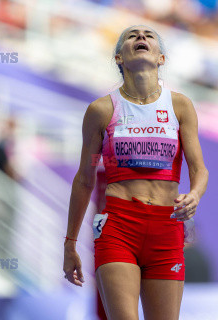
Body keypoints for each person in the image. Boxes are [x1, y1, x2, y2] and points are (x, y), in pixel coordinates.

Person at [63, 25, 208, 320]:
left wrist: (195, 193)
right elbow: (84, 178)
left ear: (161, 59)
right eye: (132, 36)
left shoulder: (180, 106)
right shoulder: (101, 110)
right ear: (119, 58)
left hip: (166, 228)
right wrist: (70, 244)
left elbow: (198, 168)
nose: (140, 37)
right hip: (119, 225)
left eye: (148, 35)